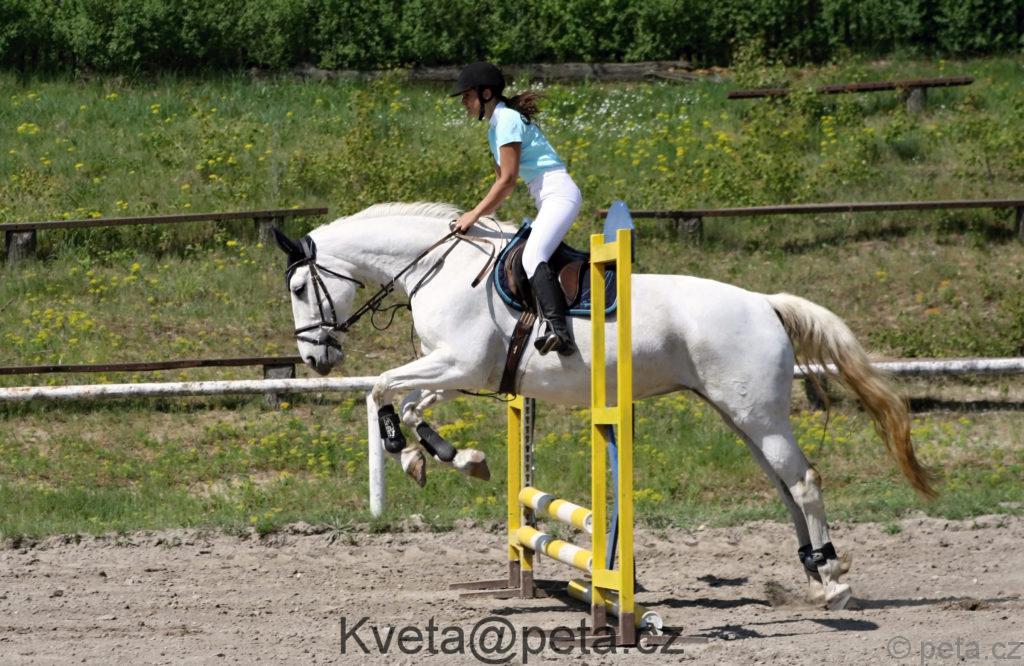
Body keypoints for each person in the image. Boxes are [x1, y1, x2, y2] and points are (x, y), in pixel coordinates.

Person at [449, 61, 581, 356]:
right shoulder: (495, 129)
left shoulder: (507, 120)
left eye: (467, 96)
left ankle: (559, 331)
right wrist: (478, 217)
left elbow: (507, 182)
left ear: (485, 94)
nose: (463, 103)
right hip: (547, 196)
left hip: (559, 193)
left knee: (533, 255)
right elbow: (501, 183)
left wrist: (473, 214)